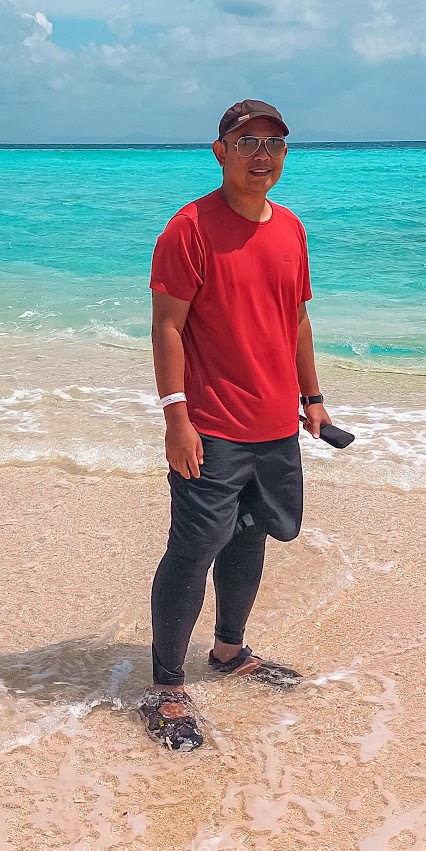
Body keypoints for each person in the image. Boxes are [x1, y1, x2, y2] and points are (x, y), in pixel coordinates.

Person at [140, 99, 333, 751]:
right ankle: (166, 688)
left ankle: (228, 651)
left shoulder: (291, 229)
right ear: (219, 151)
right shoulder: (188, 228)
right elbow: (168, 325)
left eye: (275, 144)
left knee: (252, 538)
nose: (262, 155)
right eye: (248, 141)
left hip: (272, 425)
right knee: (195, 548)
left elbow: (297, 320)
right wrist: (176, 417)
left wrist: (311, 398)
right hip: (212, 424)